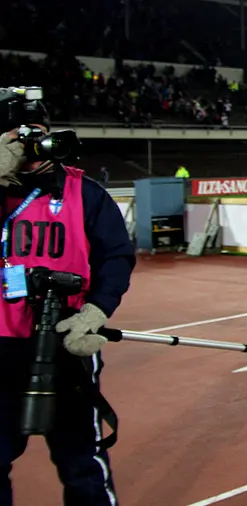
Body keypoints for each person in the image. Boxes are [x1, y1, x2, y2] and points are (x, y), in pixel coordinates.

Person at [0, 87, 136, 506]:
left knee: (82, 461)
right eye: (20, 136)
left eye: (39, 132)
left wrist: (96, 310)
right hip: (2, 346)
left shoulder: (85, 192)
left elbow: (116, 255)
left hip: (67, 341)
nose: (33, 144)